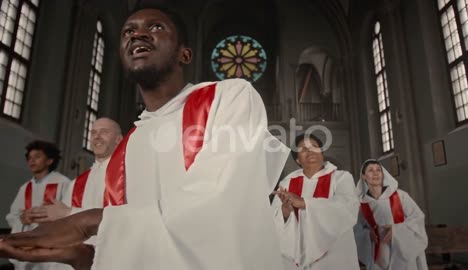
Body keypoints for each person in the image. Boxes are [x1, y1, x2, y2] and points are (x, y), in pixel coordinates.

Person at [0, 4, 289, 270]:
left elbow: (223, 198)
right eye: (128, 31)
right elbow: (132, 242)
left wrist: (87, 221)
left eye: (156, 27)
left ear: (184, 54)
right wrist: (83, 255)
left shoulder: (229, 96)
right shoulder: (127, 148)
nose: (138, 34)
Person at [272, 133, 360, 270]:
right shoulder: (287, 183)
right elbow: (272, 219)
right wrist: (285, 211)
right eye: (303, 149)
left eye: (314, 146)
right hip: (295, 256)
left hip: (335, 256)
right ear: (297, 160)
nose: (310, 151)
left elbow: (347, 208)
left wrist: (304, 202)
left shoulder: (341, 178)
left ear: (322, 153)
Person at [29, 118, 123, 227]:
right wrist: (43, 216)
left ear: (118, 139)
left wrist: (68, 213)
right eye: (93, 133)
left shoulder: (128, 174)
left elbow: (127, 218)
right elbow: (62, 220)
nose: (97, 137)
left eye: (104, 132)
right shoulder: (77, 183)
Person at [5, 140, 72, 270]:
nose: (32, 161)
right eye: (29, 158)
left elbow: (72, 215)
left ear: (49, 161)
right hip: (27, 246)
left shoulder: (64, 184)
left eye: (37, 157)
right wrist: (22, 218)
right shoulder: (25, 188)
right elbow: (12, 216)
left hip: (52, 247)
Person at [354, 159, 428, 270]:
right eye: (370, 170)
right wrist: (367, 234)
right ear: (364, 177)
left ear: (383, 174)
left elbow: (417, 218)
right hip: (379, 256)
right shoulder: (362, 204)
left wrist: (397, 230)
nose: (375, 173)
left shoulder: (400, 196)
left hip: (404, 250)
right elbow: (356, 228)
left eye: (378, 170)